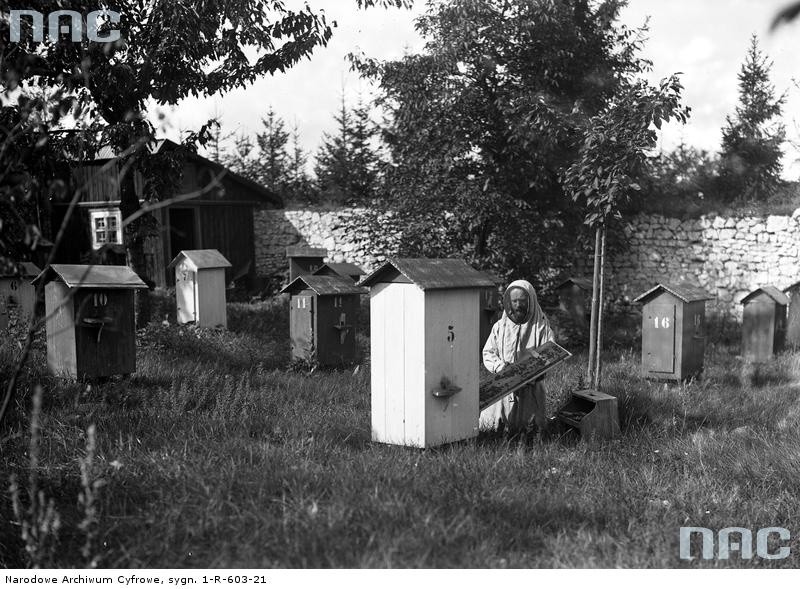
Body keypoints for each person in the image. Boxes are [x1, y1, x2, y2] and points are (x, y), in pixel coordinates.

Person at [480, 279, 555, 436]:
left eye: (522, 301)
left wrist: (533, 371)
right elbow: (488, 353)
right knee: (495, 430)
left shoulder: (541, 327)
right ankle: (496, 434)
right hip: (503, 387)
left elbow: (550, 353)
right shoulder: (499, 326)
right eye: (514, 301)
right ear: (508, 302)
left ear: (531, 301)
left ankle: (529, 436)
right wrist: (501, 367)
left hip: (531, 388)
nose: (518, 305)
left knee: (530, 430)